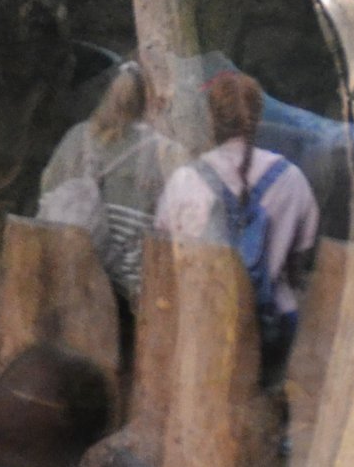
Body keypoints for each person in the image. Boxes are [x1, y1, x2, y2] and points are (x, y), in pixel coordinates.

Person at [155, 68, 318, 361]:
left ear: (211, 119)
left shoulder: (184, 180)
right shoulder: (292, 178)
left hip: (204, 329)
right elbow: (299, 265)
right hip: (272, 334)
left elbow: (165, 259)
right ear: (258, 118)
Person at [32, 62, 171, 300]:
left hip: (70, 266)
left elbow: (47, 193)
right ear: (148, 100)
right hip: (124, 282)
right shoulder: (159, 149)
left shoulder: (78, 136)